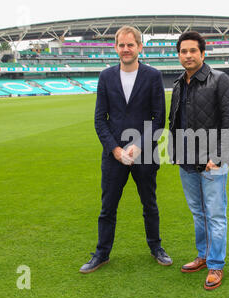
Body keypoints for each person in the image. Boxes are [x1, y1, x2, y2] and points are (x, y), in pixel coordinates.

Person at [80, 26, 172, 274]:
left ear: (140, 47)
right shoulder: (106, 77)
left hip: (144, 154)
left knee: (149, 204)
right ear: (116, 47)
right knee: (107, 208)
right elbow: (100, 119)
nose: (126, 49)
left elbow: (158, 118)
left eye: (131, 45)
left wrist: (139, 146)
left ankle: (156, 248)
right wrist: (115, 150)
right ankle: (101, 254)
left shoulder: (153, 76)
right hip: (114, 157)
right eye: (121, 45)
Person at [169, 31, 229, 290]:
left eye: (192, 51)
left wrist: (218, 156)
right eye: (183, 51)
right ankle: (202, 255)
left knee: (215, 214)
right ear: (179, 55)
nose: (187, 55)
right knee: (198, 213)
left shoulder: (220, 80)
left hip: (212, 162)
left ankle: (216, 265)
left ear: (202, 53)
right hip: (186, 161)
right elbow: (174, 122)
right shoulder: (178, 83)